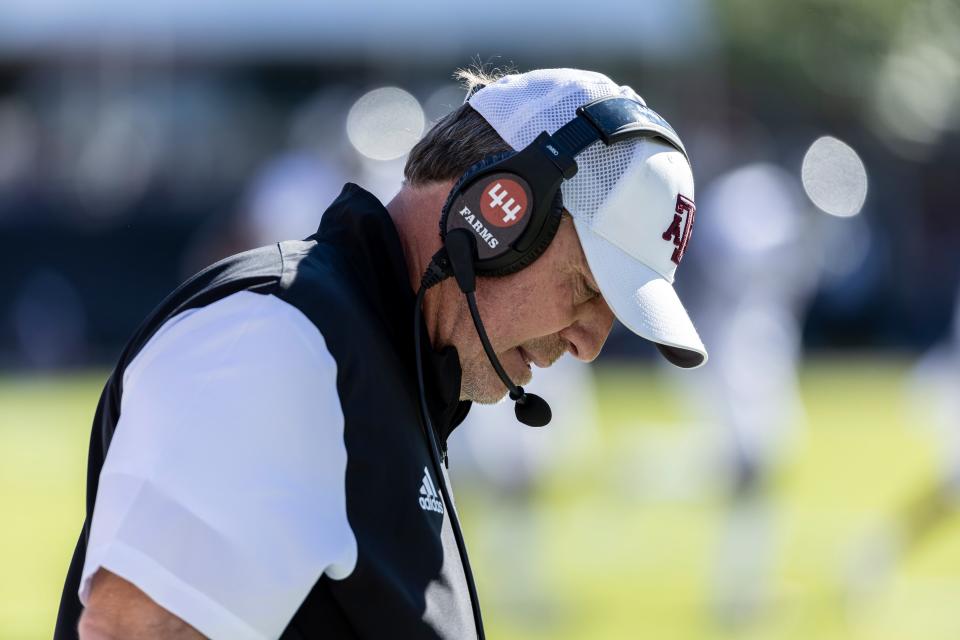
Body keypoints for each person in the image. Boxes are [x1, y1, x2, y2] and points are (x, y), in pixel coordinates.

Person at [55, 67, 707, 640]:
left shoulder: (379, 369)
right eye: (586, 288)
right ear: (498, 213)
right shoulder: (281, 345)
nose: (589, 343)